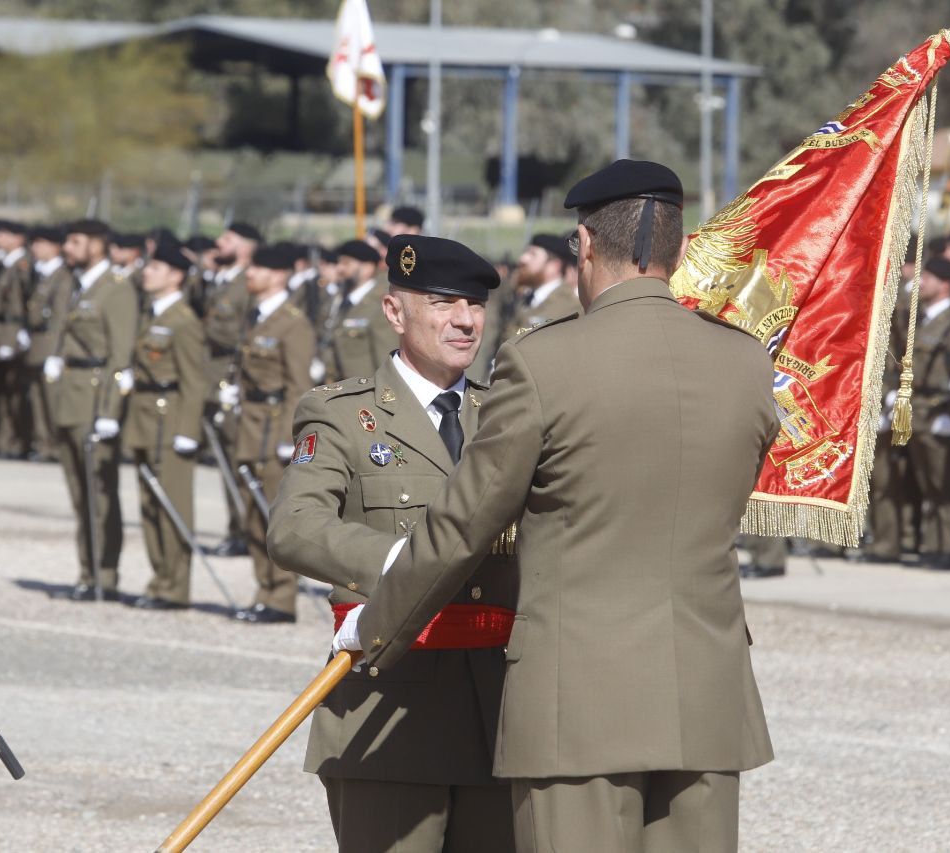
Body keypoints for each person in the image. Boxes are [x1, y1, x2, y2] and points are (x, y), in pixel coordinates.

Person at [337, 160, 776, 852]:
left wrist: (379, 623)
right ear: (682, 250)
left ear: (584, 244)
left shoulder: (545, 362)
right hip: (706, 686)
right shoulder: (746, 362)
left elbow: (464, 521)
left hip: (578, 692)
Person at [268, 235, 518, 852]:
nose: (464, 320)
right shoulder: (343, 416)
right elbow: (294, 525)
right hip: (388, 708)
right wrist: (403, 564)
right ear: (394, 311)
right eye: (441, 302)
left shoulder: (509, 417)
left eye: (475, 305)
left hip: (503, 711)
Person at [45, 219, 138, 601]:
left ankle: (105, 573)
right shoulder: (74, 284)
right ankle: (87, 571)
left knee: (99, 493)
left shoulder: (115, 289)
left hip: (96, 398)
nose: (68, 247)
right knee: (79, 494)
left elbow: (121, 353)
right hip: (72, 397)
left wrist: (110, 410)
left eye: (76, 240)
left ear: (98, 245)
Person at [222, 246, 315, 623]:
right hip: (250, 424)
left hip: (274, 425)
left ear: (279, 275)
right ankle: (264, 589)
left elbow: (299, 384)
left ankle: (282, 596)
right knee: (251, 513)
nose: (250, 273)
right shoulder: (256, 316)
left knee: (273, 514)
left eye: (259, 267)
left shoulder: (292, 322)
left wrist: (292, 433)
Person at [124, 240, 207, 610]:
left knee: (172, 504)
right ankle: (160, 578)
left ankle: (175, 586)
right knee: (149, 505)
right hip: (144, 417)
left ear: (175, 275)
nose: (146, 272)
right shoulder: (152, 314)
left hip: (169, 420)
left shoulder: (182, 321)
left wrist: (188, 431)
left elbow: (194, 381)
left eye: (155, 267)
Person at [204, 222, 261, 558]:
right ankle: (236, 529)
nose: (217, 243)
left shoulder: (246, 285)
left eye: (226, 239)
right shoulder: (224, 281)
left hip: (232, 379)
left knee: (241, 462)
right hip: (214, 380)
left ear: (244, 247)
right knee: (226, 461)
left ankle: (248, 532)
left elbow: (244, 338)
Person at [906, 256, 950, 568]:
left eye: (927, 277)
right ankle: (931, 545)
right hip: (918, 407)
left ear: (945, 284)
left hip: (940, 407)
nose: (920, 283)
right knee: (926, 483)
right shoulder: (923, 318)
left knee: (946, 484)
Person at [25, 226, 74, 462]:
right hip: (37, 344)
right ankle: (44, 443)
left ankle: (55, 445)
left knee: (51, 399)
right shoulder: (43, 274)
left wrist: (56, 353)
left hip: (49, 345)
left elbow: (59, 317)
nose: (35, 248)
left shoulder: (63, 276)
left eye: (40, 243)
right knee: (37, 398)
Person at [313, 239, 392, 384]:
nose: (340, 269)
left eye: (346, 263)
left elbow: (386, 362)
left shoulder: (379, 306)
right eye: (339, 263)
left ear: (367, 268)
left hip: (365, 396)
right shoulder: (337, 301)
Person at [498, 233, 581, 345]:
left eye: (532, 254)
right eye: (526, 252)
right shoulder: (525, 300)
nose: (523, 259)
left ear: (554, 266)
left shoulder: (571, 307)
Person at [0, 220, 32, 458]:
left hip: (12, 332)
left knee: (14, 393)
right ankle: (4, 440)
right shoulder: (3, 263)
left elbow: (27, 301)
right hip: (1, 332)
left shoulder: (22, 265)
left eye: (3, 234)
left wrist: (20, 332)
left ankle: (15, 442)